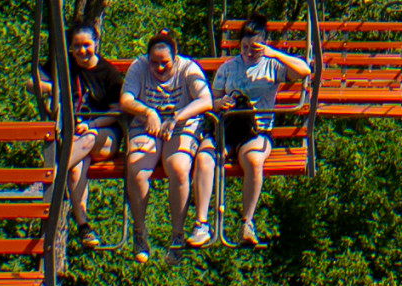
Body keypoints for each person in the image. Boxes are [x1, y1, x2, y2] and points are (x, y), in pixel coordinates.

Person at [204, 24, 310, 248]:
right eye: (244, 47)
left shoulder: (272, 65)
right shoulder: (228, 68)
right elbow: (211, 102)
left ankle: (247, 222)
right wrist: (220, 103)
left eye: (254, 48)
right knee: (206, 157)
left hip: (257, 130)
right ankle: (201, 223)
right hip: (229, 126)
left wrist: (273, 53)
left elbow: (304, 71)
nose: (248, 52)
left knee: (253, 160)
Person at [122, 28, 216, 256]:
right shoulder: (139, 67)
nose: (160, 68)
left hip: (181, 125)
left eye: (165, 62)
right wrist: (148, 112)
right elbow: (126, 99)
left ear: (175, 58)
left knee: (179, 167)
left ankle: (177, 234)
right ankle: (140, 230)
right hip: (148, 126)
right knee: (136, 169)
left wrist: (177, 117)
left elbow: (206, 100)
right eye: (154, 63)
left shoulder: (188, 69)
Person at [41, 21, 133, 229]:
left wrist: (93, 124)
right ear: (71, 47)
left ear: (96, 43)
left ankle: (49, 177)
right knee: (75, 169)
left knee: (89, 138)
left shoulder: (107, 73)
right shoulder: (65, 67)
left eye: (87, 45)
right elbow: (32, 83)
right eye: (77, 46)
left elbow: (117, 111)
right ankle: (84, 226)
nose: (82, 51)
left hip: (105, 136)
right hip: (75, 141)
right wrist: (56, 88)